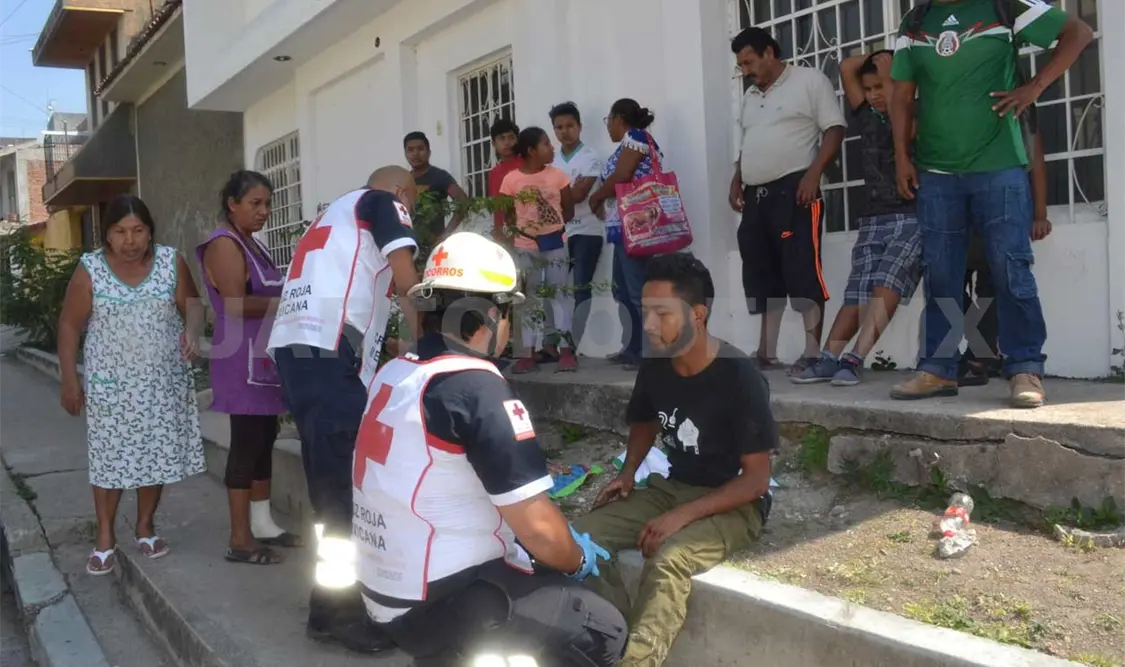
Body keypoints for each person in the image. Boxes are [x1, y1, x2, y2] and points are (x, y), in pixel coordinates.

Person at [356, 232, 626, 666]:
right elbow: (540, 530)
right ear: (489, 314)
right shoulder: (476, 388)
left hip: (383, 591)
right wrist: (575, 559)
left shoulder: (394, 374)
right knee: (602, 628)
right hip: (439, 600)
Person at [572, 252, 776, 667]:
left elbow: (755, 481)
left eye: (661, 313)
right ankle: (615, 640)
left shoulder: (740, 376)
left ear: (697, 314)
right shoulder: (657, 363)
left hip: (735, 503)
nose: (648, 325)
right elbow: (645, 419)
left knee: (669, 559)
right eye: (645, 312)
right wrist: (628, 473)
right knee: (580, 539)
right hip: (672, 487)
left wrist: (681, 516)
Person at [890, 0, 1093, 407]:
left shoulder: (1004, 5)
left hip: (999, 164)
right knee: (942, 274)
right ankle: (938, 369)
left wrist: (1034, 87)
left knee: (1010, 268)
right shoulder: (915, 21)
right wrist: (901, 156)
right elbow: (902, 94)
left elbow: (1078, 34)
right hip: (936, 169)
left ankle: (1024, 368)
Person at [266, 166, 420, 653]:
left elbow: (354, 298)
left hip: (299, 357)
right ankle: (344, 614)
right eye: (411, 203)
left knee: (331, 492)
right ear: (400, 192)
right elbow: (408, 285)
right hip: (329, 360)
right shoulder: (381, 203)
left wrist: (382, 345)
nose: (409, 213)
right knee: (346, 502)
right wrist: (424, 351)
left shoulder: (329, 218)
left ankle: (325, 607)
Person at [57, 195, 206, 576]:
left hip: (161, 383)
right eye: (120, 231)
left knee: (153, 455)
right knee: (110, 460)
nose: (130, 240)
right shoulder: (91, 268)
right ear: (107, 234)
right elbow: (70, 324)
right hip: (111, 386)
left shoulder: (171, 262)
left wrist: (191, 331)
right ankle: (105, 536)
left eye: (138, 230)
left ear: (150, 231)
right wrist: (70, 379)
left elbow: (192, 304)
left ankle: (145, 526)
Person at [792, 50, 920, 386]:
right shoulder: (866, 116)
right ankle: (829, 357)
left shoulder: (915, 113)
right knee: (858, 290)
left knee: (888, 282)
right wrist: (880, 57)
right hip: (873, 218)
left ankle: (855, 358)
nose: (875, 94)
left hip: (912, 216)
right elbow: (847, 67)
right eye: (870, 88)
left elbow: (906, 134)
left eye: (882, 86)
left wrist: (896, 81)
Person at [729, 27, 846, 375]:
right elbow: (749, 142)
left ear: (769, 52)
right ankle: (766, 351)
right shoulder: (751, 96)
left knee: (802, 270)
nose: (746, 69)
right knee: (762, 273)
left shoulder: (809, 81)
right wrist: (737, 177)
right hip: (756, 196)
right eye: (741, 64)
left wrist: (813, 174)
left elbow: (834, 129)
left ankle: (812, 352)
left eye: (749, 61)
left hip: (795, 190)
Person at [197, 170, 299, 566]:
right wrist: (293, 301)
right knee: (245, 444)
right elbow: (236, 304)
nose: (264, 212)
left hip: (263, 357)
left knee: (263, 441)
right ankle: (239, 539)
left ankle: (262, 524)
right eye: (255, 204)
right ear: (232, 204)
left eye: (267, 204)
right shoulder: (223, 244)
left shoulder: (251, 245)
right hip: (241, 359)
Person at [960, 130, 1053, 387]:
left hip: (1004, 205)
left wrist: (1040, 213)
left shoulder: (1021, 115)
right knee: (950, 280)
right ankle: (981, 348)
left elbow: (1036, 160)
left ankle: (985, 354)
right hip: (962, 205)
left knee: (996, 282)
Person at [588, 99, 663, 370]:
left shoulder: (636, 137)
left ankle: (647, 351)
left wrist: (596, 197)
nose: (608, 127)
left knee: (636, 291)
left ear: (619, 119)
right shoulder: (629, 142)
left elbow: (622, 175)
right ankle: (632, 347)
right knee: (621, 289)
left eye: (608, 121)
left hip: (637, 227)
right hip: (623, 229)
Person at [500, 126, 576, 374]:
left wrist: (551, 229)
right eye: (545, 144)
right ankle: (528, 354)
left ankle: (566, 350)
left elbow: (569, 209)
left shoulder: (558, 176)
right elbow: (509, 215)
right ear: (531, 151)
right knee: (529, 299)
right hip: (526, 247)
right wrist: (525, 234)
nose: (551, 147)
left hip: (555, 243)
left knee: (559, 296)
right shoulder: (511, 180)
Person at [550, 101, 604, 354]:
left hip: (588, 231)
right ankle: (552, 345)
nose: (565, 131)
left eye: (570, 126)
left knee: (581, 288)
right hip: (558, 233)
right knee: (554, 291)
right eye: (559, 127)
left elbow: (580, 195)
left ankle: (572, 347)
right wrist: (566, 192)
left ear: (580, 127)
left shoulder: (590, 157)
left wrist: (558, 194)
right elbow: (547, 199)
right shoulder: (551, 162)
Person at [404, 131, 470, 245]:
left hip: (433, 244)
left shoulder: (439, 176)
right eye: (410, 150)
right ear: (406, 154)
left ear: (429, 152)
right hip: (410, 244)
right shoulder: (404, 179)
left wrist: (445, 235)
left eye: (420, 149)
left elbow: (463, 202)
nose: (415, 154)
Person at [488, 117, 523, 241]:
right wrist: (498, 233)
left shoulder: (527, 165)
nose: (507, 142)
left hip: (528, 231)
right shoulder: (494, 173)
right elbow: (497, 207)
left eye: (511, 137)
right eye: (502, 138)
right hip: (505, 234)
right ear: (493, 143)